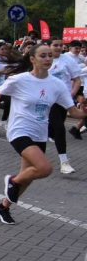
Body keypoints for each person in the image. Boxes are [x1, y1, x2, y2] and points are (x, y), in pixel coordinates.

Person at [0, 43, 85, 224]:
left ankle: (3, 207)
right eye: (43, 56)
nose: (48, 59)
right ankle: (12, 180)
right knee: (44, 168)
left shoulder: (57, 85)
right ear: (32, 59)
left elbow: (73, 112)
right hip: (19, 130)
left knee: (28, 175)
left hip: (39, 133)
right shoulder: (20, 79)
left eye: (50, 56)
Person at [47, 38, 81, 174]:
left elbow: (77, 80)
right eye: (55, 45)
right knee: (60, 129)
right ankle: (64, 162)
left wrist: (70, 95)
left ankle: (48, 134)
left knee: (55, 128)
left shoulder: (68, 60)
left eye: (61, 45)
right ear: (49, 46)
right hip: (48, 100)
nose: (58, 47)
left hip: (63, 100)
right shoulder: (43, 59)